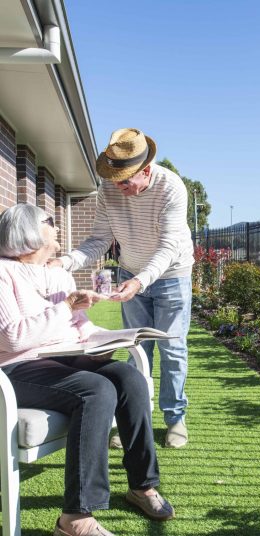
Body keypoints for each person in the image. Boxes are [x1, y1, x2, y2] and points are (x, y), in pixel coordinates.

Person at [0, 204, 175, 536]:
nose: (56, 228)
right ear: (29, 233)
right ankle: (75, 519)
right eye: (49, 223)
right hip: (17, 367)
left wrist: (111, 340)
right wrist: (65, 307)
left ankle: (143, 485)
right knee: (96, 390)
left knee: (129, 377)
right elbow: (13, 336)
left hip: (63, 356)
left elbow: (80, 327)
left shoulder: (58, 274)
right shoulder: (2, 273)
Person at [51, 128, 194, 449]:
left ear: (146, 171)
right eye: (115, 180)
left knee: (172, 349)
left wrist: (141, 280)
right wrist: (66, 261)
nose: (119, 187)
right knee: (136, 349)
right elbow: (100, 239)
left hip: (171, 273)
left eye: (126, 181)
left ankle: (175, 419)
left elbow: (169, 245)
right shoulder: (109, 188)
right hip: (131, 269)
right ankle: (132, 416)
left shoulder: (171, 187)